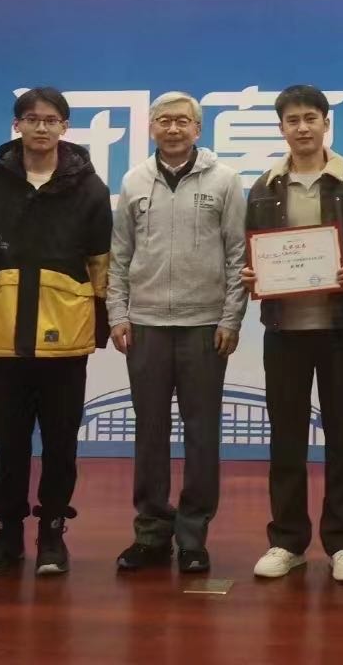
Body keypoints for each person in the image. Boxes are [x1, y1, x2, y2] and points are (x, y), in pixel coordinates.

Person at [0, 87, 113, 578]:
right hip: (3, 335)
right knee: (8, 443)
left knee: (60, 444)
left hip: (65, 337)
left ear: (65, 127)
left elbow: (101, 263)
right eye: (31, 118)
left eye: (51, 119)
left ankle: (52, 533)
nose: (41, 127)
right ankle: (6, 534)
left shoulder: (89, 189)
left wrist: (100, 326)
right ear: (17, 125)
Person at [244, 85, 343, 582]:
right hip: (284, 331)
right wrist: (252, 274)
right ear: (281, 128)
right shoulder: (263, 187)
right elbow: (251, 250)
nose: (302, 127)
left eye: (310, 118)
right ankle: (287, 541)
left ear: (326, 122)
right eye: (292, 120)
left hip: (341, 329)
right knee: (286, 440)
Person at [108, 92, 247, 575]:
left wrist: (231, 318)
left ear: (197, 129)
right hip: (145, 324)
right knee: (149, 433)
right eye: (164, 120)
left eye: (182, 121)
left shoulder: (225, 180)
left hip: (204, 326)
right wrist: (117, 313)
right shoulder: (134, 180)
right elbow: (120, 254)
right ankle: (150, 533)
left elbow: (238, 253)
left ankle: (192, 537)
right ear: (151, 127)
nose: (172, 128)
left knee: (202, 435)